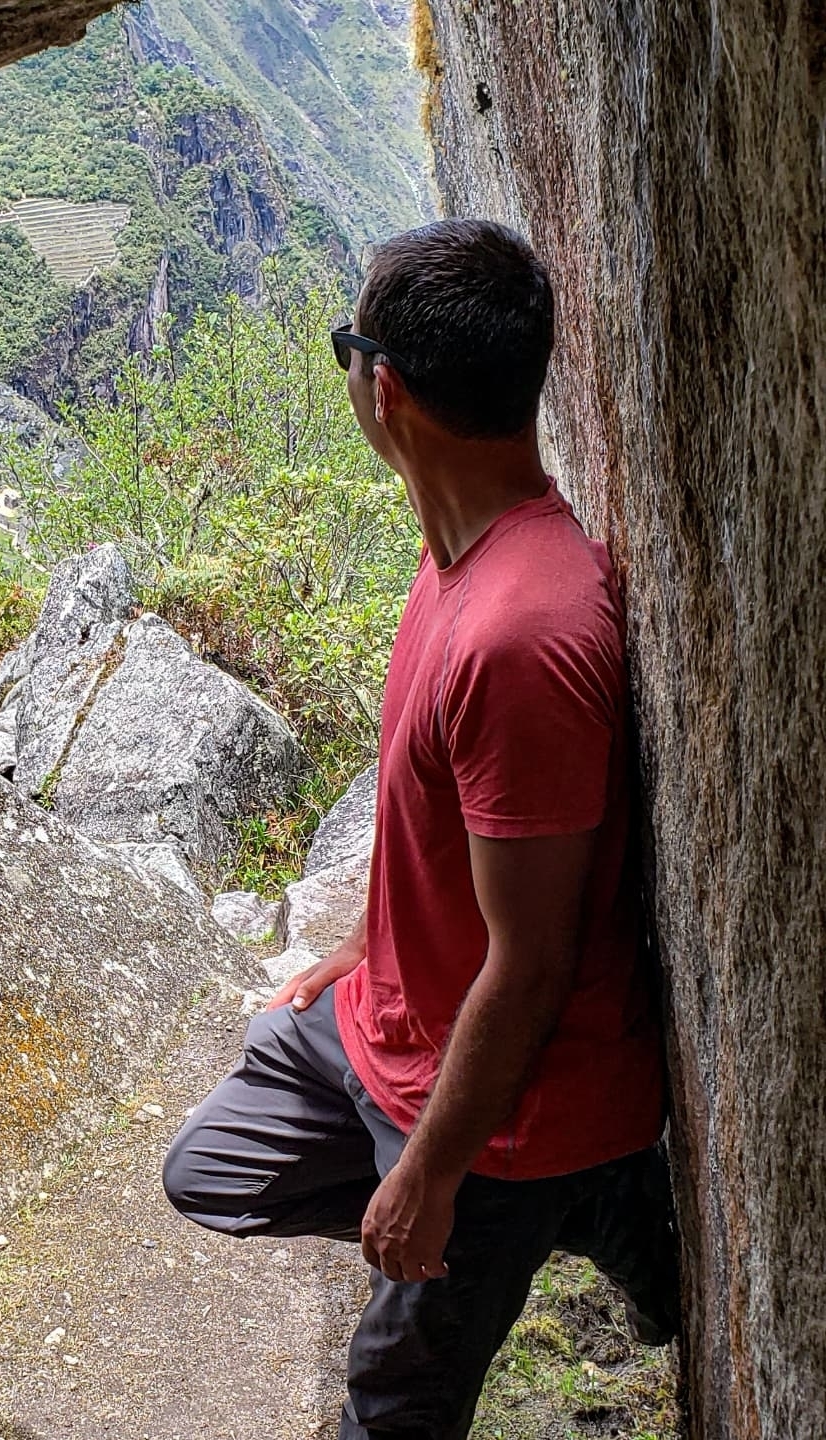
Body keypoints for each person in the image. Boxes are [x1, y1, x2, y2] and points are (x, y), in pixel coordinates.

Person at [162, 219, 679, 1440]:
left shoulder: (521, 636)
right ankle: (581, 1202)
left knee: (391, 1403)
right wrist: (366, 942)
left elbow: (536, 956)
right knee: (212, 1167)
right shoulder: (455, 553)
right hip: (394, 1017)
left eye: (349, 347)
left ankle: (552, 1194)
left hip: (506, 1101)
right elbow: (441, 825)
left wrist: (432, 1178)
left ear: (381, 389)